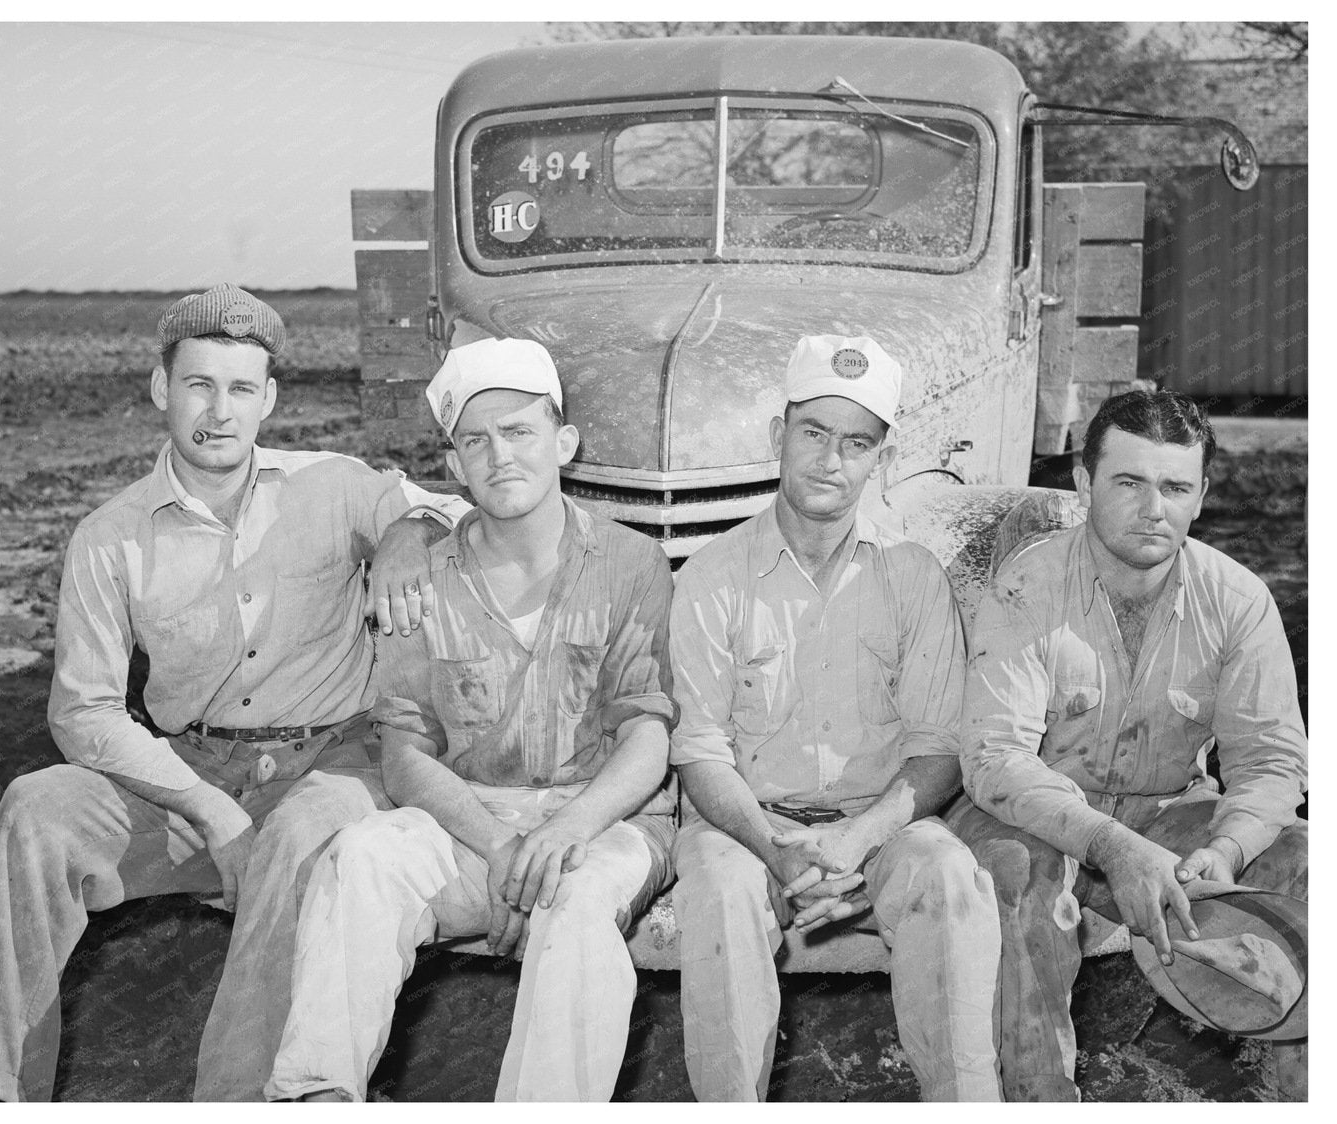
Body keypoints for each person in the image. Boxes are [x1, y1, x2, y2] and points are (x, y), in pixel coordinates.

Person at [0, 283, 468, 1102]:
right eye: (199, 385)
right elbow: (85, 710)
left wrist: (408, 532)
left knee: (300, 839)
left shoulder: (333, 484)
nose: (219, 411)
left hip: (334, 760)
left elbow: (452, 507)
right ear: (161, 390)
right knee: (35, 810)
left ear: (270, 399)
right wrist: (212, 813)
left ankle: (242, 1102)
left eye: (241, 388)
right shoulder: (110, 536)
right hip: (190, 771)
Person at [258, 336, 677, 1102]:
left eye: (520, 432)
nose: (500, 456)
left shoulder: (630, 564)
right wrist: (504, 847)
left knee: (577, 901)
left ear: (565, 443)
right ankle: (317, 1095)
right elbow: (407, 754)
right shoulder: (423, 583)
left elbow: (647, 735)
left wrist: (562, 835)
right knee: (363, 856)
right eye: (475, 441)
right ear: (453, 466)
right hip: (472, 825)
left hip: (604, 822)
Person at [668, 335, 1002, 1102]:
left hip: (876, 823)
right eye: (812, 432)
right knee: (720, 893)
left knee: (949, 875)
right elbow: (701, 751)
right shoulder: (713, 575)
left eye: (856, 443)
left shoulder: (913, 576)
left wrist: (854, 839)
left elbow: (937, 746)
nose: (829, 459)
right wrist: (775, 847)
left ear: (881, 461)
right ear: (776, 434)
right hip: (745, 827)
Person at [950, 389, 1308, 1101]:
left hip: (1171, 813)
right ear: (1085, 485)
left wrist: (1227, 848)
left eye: (1176, 487)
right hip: (1034, 815)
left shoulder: (1236, 600)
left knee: (1306, 862)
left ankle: (1300, 1091)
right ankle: (1038, 1098)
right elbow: (994, 758)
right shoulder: (1028, 584)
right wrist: (1114, 847)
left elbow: (1270, 760)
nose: (1155, 508)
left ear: (1202, 495)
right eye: (1130, 482)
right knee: (1022, 876)